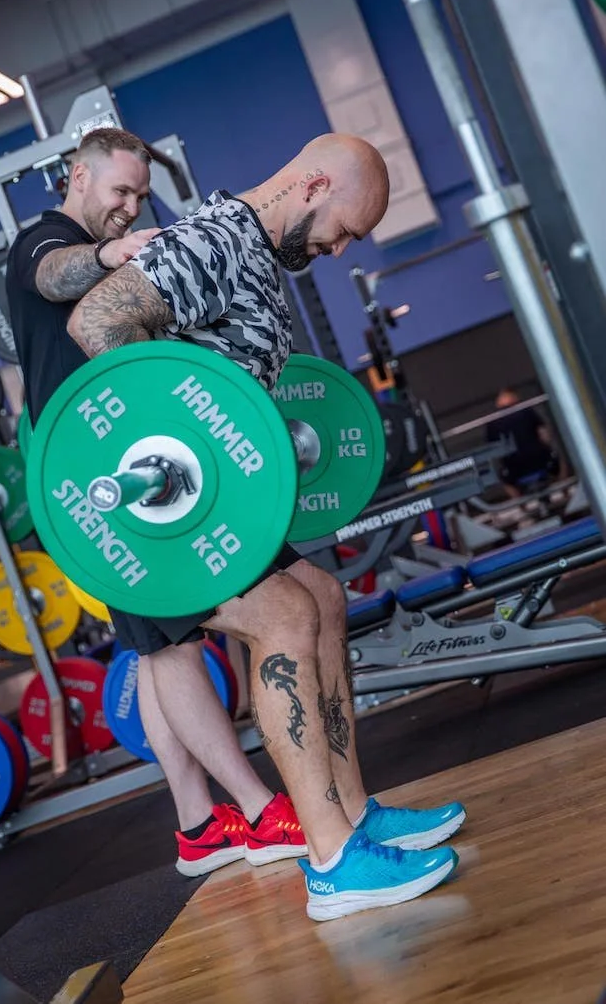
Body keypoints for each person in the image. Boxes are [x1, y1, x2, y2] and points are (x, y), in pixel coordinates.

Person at [63, 130, 466, 922]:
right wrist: (177, 433)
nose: (339, 245)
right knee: (285, 614)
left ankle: (352, 814)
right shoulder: (216, 241)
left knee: (320, 591)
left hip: (215, 502)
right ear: (312, 183)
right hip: (164, 517)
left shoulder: (251, 250)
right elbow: (98, 321)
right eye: (342, 227)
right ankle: (330, 862)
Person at [486, 388, 563, 498]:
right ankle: (562, 492)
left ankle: (520, 505)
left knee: (503, 478)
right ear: (514, 398)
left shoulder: (492, 423)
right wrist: (547, 448)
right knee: (559, 460)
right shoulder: (526, 411)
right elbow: (545, 436)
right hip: (541, 460)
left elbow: (494, 450)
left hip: (514, 467)